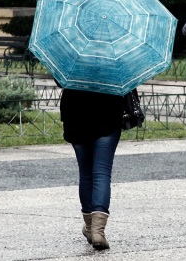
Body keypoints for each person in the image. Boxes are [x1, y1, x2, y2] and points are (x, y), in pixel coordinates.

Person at [59, 86, 130, 251]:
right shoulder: (113, 59)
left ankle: (90, 227)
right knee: (101, 173)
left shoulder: (73, 59)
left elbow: (59, 79)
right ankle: (98, 231)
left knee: (85, 174)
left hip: (75, 111)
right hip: (108, 110)